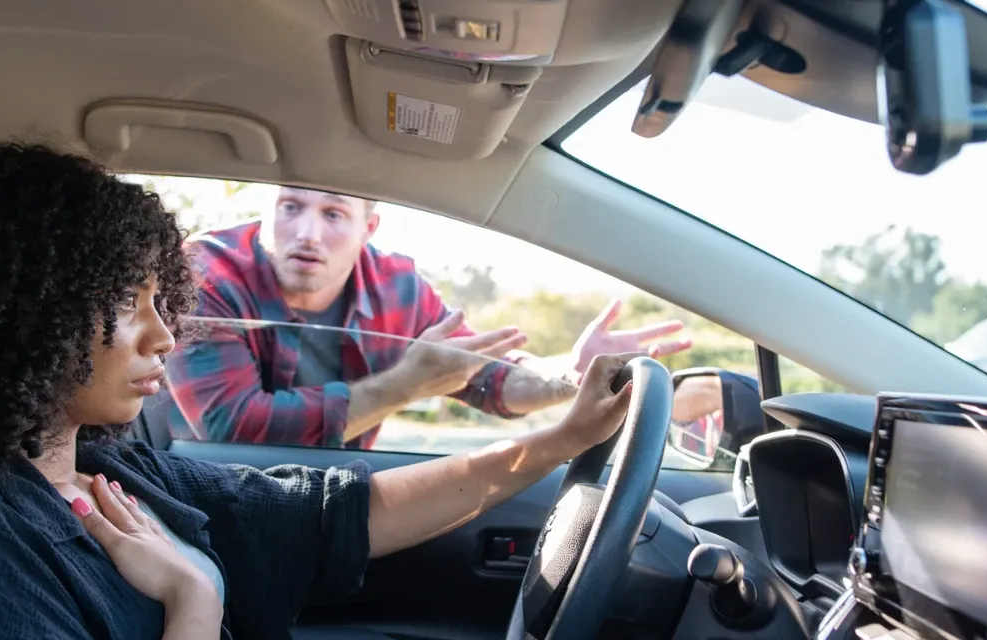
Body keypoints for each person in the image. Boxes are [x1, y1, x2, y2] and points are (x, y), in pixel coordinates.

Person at [0, 143, 641, 640]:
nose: (165, 334)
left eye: (164, 301)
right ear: (21, 311)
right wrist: (197, 600)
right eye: (129, 304)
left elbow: (339, 514)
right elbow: (240, 424)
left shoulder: (107, 468)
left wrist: (563, 437)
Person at [160, 185, 693, 447]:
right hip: (206, 493)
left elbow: (485, 378)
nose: (307, 233)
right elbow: (232, 428)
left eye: (334, 214)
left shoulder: (399, 286)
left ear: (369, 228)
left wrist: (570, 377)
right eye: (290, 206)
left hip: (335, 497)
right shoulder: (209, 273)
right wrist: (401, 388)